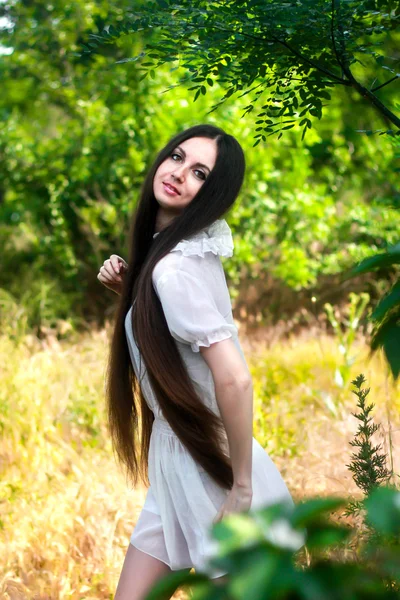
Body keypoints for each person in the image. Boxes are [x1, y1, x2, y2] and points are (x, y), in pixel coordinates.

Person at [97, 124, 296, 600]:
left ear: (214, 194)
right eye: (178, 157)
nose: (179, 173)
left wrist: (242, 488)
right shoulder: (172, 258)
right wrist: (130, 295)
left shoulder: (175, 268)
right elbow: (175, 349)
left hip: (212, 471)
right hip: (176, 462)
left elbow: (235, 378)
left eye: (200, 173)